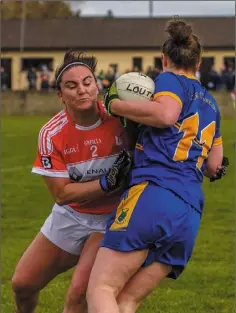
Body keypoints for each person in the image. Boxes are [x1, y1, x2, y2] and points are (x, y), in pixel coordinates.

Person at [87, 19, 228, 313]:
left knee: (102, 289)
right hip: (189, 212)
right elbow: (215, 166)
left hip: (154, 194)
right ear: (199, 61)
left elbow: (165, 115)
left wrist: (114, 104)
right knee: (126, 300)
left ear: (164, 59)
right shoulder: (212, 105)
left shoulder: (168, 81)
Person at [11, 49, 133, 313]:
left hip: (111, 218)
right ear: (60, 95)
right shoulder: (50, 133)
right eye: (72, 85)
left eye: (87, 82)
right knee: (22, 284)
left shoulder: (123, 119)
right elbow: (61, 194)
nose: (82, 90)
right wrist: (105, 184)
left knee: (79, 293)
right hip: (72, 215)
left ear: (97, 85)